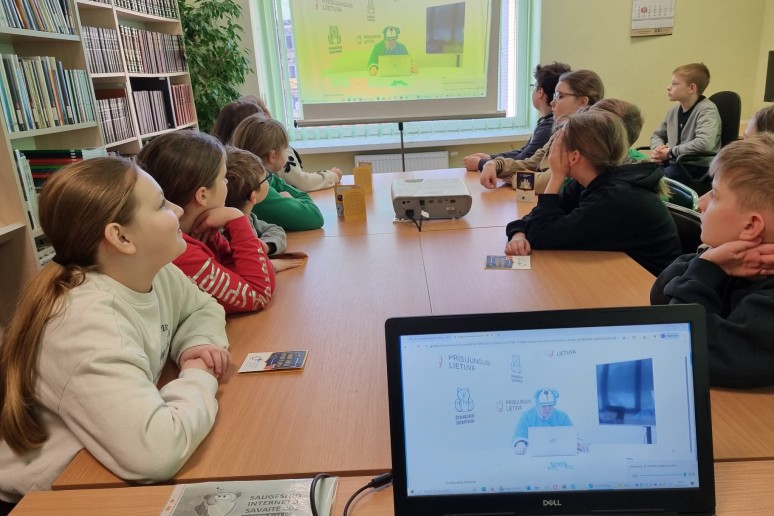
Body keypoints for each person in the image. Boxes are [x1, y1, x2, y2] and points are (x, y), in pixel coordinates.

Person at [0, 157, 231, 503]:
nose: (179, 211)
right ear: (121, 237)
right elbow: (158, 452)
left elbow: (203, 307)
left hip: (105, 462)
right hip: (49, 496)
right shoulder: (84, 323)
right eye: (161, 204)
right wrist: (200, 372)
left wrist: (194, 344)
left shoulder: (156, 272)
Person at [651, 134, 774, 388]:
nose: (701, 202)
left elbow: (678, 344)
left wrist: (707, 268)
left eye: (715, 195)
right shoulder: (727, 261)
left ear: (751, 226)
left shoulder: (767, 305)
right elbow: (660, 295)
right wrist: (708, 260)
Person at [504, 110, 681, 276]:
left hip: (648, 288)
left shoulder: (614, 197)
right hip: (619, 275)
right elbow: (537, 219)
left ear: (574, 157)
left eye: (558, 147)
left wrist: (557, 176)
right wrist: (518, 234)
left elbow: (541, 234)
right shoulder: (589, 181)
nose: (552, 153)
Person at [136, 131, 276, 314]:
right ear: (202, 195)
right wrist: (238, 219)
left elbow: (260, 278)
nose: (227, 183)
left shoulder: (203, 229)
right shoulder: (181, 252)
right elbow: (259, 294)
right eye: (223, 178)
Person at [480, 69, 605, 194]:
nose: (552, 102)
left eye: (560, 96)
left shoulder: (585, 141)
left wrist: (513, 178)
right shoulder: (561, 132)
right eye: (555, 96)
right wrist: (494, 165)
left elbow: (545, 182)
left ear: (582, 102)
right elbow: (530, 163)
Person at [213, 98, 342, 192]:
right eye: (262, 115)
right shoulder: (259, 179)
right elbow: (302, 183)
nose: (267, 116)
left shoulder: (222, 163)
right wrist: (332, 175)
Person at [463, 62, 571, 172]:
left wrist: (482, 163)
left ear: (540, 92)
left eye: (560, 96)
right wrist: (490, 158)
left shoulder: (550, 126)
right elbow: (524, 153)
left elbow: (525, 161)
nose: (553, 102)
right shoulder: (546, 122)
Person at [231, 114, 325, 231]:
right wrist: (290, 200)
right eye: (285, 150)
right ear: (273, 156)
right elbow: (315, 217)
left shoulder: (263, 178)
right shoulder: (259, 191)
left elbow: (297, 192)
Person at [649, 63, 721, 195]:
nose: (668, 87)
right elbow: (657, 135)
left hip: (695, 168)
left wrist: (670, 152)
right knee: (640, 173)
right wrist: (658, 150)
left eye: (675, 84)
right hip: (675, 163)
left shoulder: (707, 110)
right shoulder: (674, 110)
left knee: (652, 182)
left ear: (691, 88)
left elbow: (705, 143)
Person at [512, 389, 588, 455]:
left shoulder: (562, 416)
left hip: (558, 455)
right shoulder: (527, 416)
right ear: (537, 405)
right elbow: (519, 435)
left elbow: (572, 433)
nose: (547, 409)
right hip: (534, 459)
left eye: (550, 405)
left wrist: (578, 440)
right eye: (544, 406)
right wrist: (520, 443)